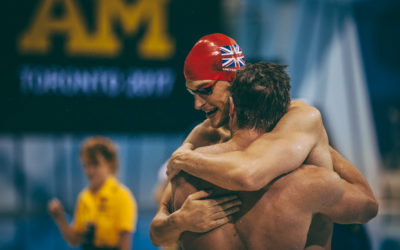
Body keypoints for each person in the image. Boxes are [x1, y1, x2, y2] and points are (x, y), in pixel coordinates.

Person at [150, 33, 378, 247]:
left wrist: (184, 159)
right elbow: (157, 233)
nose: (198, 104)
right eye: (193, 93)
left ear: (234, 82)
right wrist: (179, 222)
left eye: (205, 90)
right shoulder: (204, 136)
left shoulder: (297, 120)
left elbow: (249, 174)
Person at [48, 136, 137, 250]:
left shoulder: (122, 196)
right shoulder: (84, 197)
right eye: (86, 165)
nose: (89, 171)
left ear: (110, 164)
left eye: (95, 164)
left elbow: (125, 244)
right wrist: (60, 218)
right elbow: (75, 239)